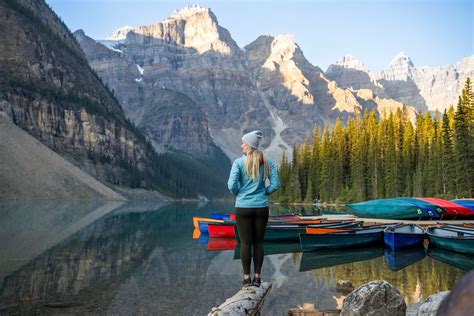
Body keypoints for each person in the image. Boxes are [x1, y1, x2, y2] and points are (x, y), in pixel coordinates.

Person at [227, 130, 280, 287]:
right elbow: (276, 184)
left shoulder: (238, 163)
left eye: (243, 142)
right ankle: (257, 278)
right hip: (261, 207)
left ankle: (246, 278)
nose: (241, 145)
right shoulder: (267, 163)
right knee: (258, 243)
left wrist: (239, 193)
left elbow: (231, 185)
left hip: (243, 208)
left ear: (249, 145)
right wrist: (264, 192)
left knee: (245, 243)